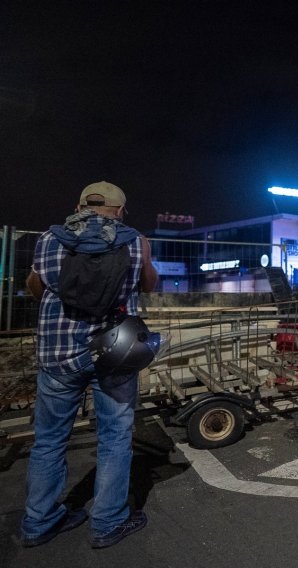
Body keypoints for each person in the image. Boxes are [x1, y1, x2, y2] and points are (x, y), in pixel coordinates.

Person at [19, 182, 157, 548]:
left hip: (58, 354)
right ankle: (108, 522)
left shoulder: (50, 238)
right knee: (114, 437)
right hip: (113, 353)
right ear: (120, 210)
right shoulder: (135, 241)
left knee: (49, 440)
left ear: (79, 205)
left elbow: (37, 288)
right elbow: (147, 284)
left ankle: (38, 521)